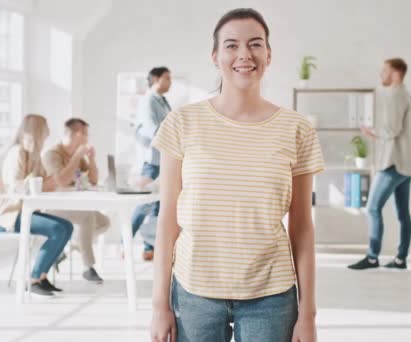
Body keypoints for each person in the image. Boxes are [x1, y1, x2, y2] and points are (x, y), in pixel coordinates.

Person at [149, 8, 325, 342]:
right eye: (231, 45)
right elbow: (167, 220)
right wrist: (160, 306)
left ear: (268, 55)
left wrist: (308, 314)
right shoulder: (181, 123)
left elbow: (302, 225)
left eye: (255, 44)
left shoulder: (296, 129)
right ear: (215, 56)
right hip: (193, 292)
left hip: (271, 296)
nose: (244, 54)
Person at [0, 114, 73, 296]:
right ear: (37, 131)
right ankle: (33, 279)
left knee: (67, 226)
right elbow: (15, 186)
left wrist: (48, 181)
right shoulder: (17, 152)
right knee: (57, 229)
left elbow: (45, 180)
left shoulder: (34, 155)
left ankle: (41, 276)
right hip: (7, 216)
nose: (49, 133)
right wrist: (42, 183)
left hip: (24, 212)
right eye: (46, 129)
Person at [348, 58, 411, 271]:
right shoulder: (409, 97)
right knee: (403, 213)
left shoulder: (396, 96)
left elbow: (392, 130)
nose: (381, 75)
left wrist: (372, 132)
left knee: (372, 208)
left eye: (384, 71)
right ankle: (401, 259)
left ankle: (372, 257)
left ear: (395, 73)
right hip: (408, 164)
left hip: (393, 163)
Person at [41, 118, 110, 283]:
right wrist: (78, 155)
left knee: (104, 222)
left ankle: (67, 250)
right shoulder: (52, 154)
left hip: (72, 205)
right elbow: (61, 181)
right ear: (77, 134)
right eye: (86, 134)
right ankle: (88, 267)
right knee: (88, 216)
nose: (87, 138)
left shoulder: (76, 156)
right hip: (51, 207)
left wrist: (92, 159)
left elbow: (93, 180)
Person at [131, 66, 172, 261]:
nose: (170, 82)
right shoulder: (148, 101)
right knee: (143, 204)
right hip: (152, 161)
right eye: (166, 78)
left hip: (164, 159)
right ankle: (126, 240)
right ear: (155, 79)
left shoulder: (163, 101)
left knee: (157, 205)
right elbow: (152, 129)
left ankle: (150, 247)